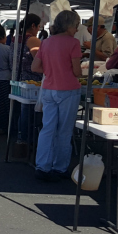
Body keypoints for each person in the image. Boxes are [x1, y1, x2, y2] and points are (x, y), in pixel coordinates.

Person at [31, 10, 83, 181]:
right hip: (68, 90)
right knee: (64, 131)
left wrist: (52, 70)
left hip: (48, 89)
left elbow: (35, 67)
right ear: (70, 26)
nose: (77, 29)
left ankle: (42, 166)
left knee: (47, 129)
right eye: (76, 26)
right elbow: (77, 71)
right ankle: (59, 167)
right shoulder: (74, 43)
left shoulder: (45, 42)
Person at [15, 14, 43, 150]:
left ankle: (22, 139)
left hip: (19, 78)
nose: (39, 29)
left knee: (24, 109)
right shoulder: (32, 40)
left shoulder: (16, 38)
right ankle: (27, 140)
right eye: (38, 26)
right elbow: (40, 61)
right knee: (30, 111)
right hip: (33, 80)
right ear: (33, 26)